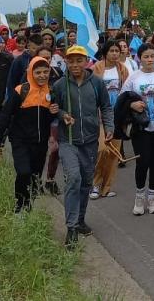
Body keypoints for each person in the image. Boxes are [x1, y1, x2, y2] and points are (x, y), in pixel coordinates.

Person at [51, 45, 113, 248]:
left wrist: (109, 126)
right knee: (74, 179)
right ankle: (71, 228)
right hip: (68, 140)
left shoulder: (96, 83)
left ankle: (80, 220)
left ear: (86, 61)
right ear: (66, 62)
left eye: (79, 60)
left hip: (90, 140)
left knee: (86, 182)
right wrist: (62, 115)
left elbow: (105, 106)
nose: (75, 65)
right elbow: (54, 108)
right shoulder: (60, 85)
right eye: (71, 61)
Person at [0, 57, 57, 213]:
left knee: (34, 177)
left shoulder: (51, 92)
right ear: (30, 72)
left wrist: (54, 113)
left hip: (40, 144)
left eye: (45, 72)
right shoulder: (21, 91)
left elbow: (48, 120)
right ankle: (19, 206)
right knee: (23, 172)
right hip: (21, 141)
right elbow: (4, 117)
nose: (42, 75)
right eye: (38, 72)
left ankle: (28, 207)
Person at [120, 43, 154, 216]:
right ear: (139, 58)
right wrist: (132, 104)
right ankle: (139, 196)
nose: (150, 60)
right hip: (141, 127)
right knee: (143, 161)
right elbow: (122, 99)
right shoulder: (134, 78)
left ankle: (152, 197)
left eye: (152, 56)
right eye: (146, 56)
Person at [90, 42, 130, 199]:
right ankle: (95, 184)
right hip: (100, 116)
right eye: (111, 51)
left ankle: (106, 187)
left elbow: (127, 91)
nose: (115, 53)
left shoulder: (123, 69)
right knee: (102, 150)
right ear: (105, 53)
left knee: (114, 153)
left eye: (117, 51)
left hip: (117, 115)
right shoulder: (96, 69)